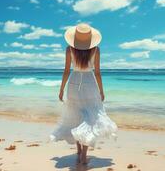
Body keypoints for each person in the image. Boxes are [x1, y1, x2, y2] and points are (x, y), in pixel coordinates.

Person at [50, 23, 117, 165]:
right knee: (90, 118)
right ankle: (83, 155)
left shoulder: (69, 49)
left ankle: (79, 151)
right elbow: (97, 72)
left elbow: (66, 71)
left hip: (74, 83)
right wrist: (101, 90)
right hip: (90, 83)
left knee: (76, 115)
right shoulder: (96, 50)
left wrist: (61, 89)